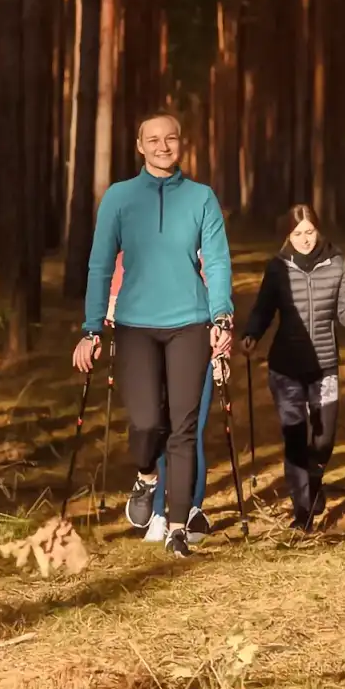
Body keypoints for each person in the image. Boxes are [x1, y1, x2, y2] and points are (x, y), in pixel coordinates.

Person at [73, 112, 234, 559]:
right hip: (136, 325)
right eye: (154, 140)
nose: (164, 146)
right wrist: (91, 327)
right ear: (140, 147)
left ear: (182, 144)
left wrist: (221, 316)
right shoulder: (120, 198)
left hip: (190, 322)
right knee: (146, 423)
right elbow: (100, 264)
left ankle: (178, 526)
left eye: (171, 138)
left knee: (184, 428)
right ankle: (146, 476)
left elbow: (217, 262)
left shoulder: (202, 198)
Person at [240, 204, 345, 530]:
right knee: (295, 437)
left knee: (323, 441)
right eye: (298, 233)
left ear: (319, 230)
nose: (305, 239)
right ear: (288, 235)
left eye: (310, 231)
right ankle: (303, 514)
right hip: (285, 368)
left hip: (324, 366)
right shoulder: (278, 268)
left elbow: (344, 312)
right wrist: (252, 334)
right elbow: (263, 309)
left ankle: (313, 481)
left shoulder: (336, 263)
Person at [105, 251, 215, 545]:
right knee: (156, 430)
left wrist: (222, 352)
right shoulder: (133, 244)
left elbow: (218, 293)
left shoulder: (202, 244)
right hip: (149, 347)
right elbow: (116, 290)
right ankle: (158, 513)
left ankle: (189, 513)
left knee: (189, 433)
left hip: (194, 344)